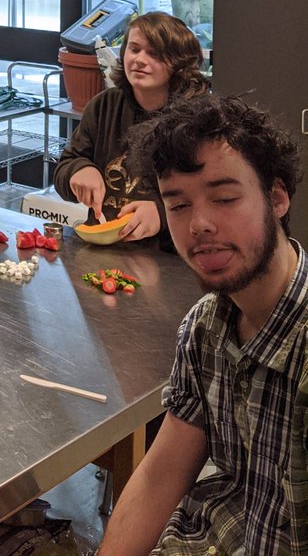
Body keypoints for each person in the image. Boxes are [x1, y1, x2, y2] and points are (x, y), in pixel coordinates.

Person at [99, 94, 306, 556]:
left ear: (276, 197)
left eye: (225, 198)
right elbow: (160, 477)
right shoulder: (206, 327)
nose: (200, 225)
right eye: (178, 206)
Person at [53, 12, 208, 241]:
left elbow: (209, 198)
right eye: (134, 49)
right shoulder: (103, 106)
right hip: (105, 249)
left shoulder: (196, 119)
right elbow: (64, 167)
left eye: (154, 53)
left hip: (172, 256)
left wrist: (162, 214)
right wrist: (78, 169)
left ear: (178, 61)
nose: (140, 60)